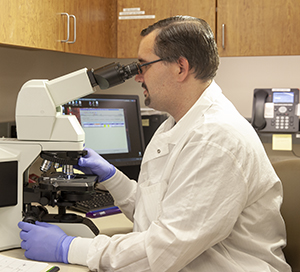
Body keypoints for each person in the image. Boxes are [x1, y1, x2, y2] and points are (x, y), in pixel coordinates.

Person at [18, 16, 291, 271]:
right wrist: (113, 178)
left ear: (180, 68)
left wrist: (69, 248)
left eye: (142, 66)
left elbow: (167, 246)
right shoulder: (175, 126)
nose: (137, 77)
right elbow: (159, 216)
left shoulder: (216, 139)